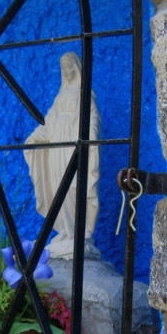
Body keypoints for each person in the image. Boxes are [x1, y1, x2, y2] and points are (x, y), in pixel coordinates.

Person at [23, 51, 101, 260]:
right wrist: (34, 138)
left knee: (75, 186)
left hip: (74, 146)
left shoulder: (85, 94)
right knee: (59, 187)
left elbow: (92, 117)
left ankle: (78, 232)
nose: (67, 72)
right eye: (63, 69)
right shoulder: (60, 96)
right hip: (57, 146)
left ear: (77, 70)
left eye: (70, 68)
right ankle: (66, 232)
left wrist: (91, 136)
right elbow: (48, 123)